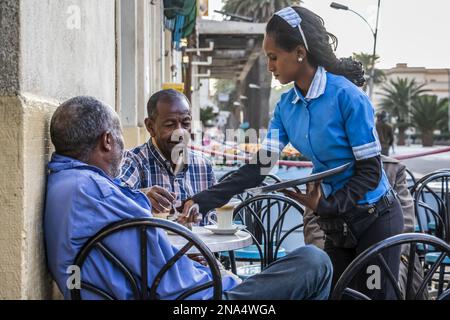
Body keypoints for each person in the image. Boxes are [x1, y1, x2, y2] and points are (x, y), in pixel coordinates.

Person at [181, 6, 404, 299]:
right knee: (335, 294)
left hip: (376, 218)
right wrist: (200, 200)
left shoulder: (348, 96)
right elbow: (258, 167)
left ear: (299, 53)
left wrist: (328, 204)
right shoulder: (286, 107)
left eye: (273, 57)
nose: (270, 65)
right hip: (337, 222)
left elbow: (371, 172)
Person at [44, 96, 332, 300]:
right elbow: (168, 277)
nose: (180, 132)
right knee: (314, 262)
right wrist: (224, 279)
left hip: (172, 284)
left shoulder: (67, 179)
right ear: (107, 140)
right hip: (194, 297)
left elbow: (151, 258)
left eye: (185, 122)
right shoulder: (98, 190)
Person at [118, 89, 216, 216]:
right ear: (150, 127)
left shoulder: (203, 165)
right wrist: (140, 196)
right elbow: (112, 197)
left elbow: (214, 218)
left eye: (185, 123)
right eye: (170, 125)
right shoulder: (134, 161)